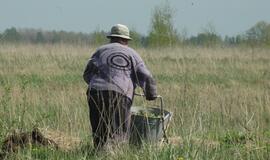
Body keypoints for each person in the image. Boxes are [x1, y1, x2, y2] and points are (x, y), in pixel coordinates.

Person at [83, 24, 157, 149]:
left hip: (95, 92)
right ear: (126, 40)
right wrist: (151, 94)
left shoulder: (100, 51)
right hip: (120, 94)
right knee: (118, 132)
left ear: (111, 38)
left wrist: (97, 85)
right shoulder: (132, 54)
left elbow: (87, 74)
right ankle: (115, 155)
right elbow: (147, 76)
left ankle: (99, 154)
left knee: (99, 130)